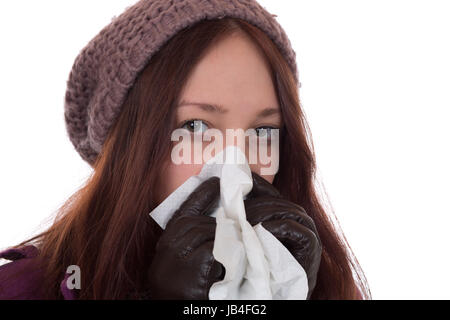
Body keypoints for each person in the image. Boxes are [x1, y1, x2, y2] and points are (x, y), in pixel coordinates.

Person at [0, 0, 370, 300]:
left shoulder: (323, 285)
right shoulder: (21, 288)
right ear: (130, 144)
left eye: (262, 130)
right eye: (196, 127)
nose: (236, 166)